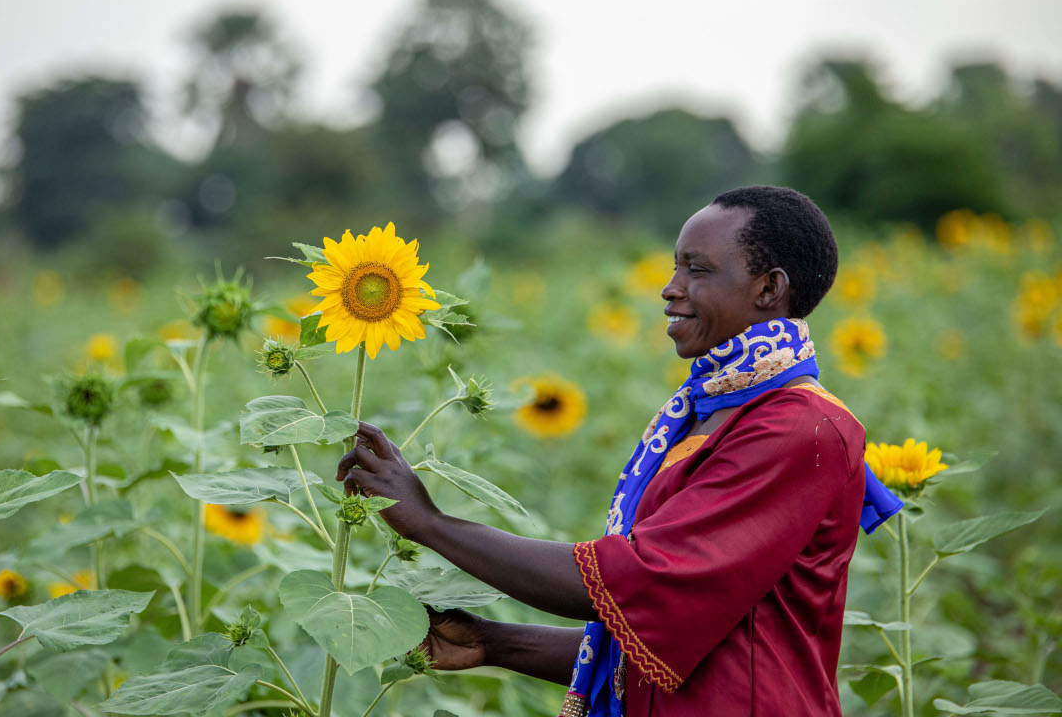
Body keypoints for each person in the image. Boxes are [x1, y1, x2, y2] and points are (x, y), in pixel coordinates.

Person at [336, 185, 901, 716]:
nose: (670, 287)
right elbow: (661, 635)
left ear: (769, 289)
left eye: (696, 269)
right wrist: (493, 641)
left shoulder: (799, 428)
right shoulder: (710, 409)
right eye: (675, 265)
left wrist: (430, 524)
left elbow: (640, 583)